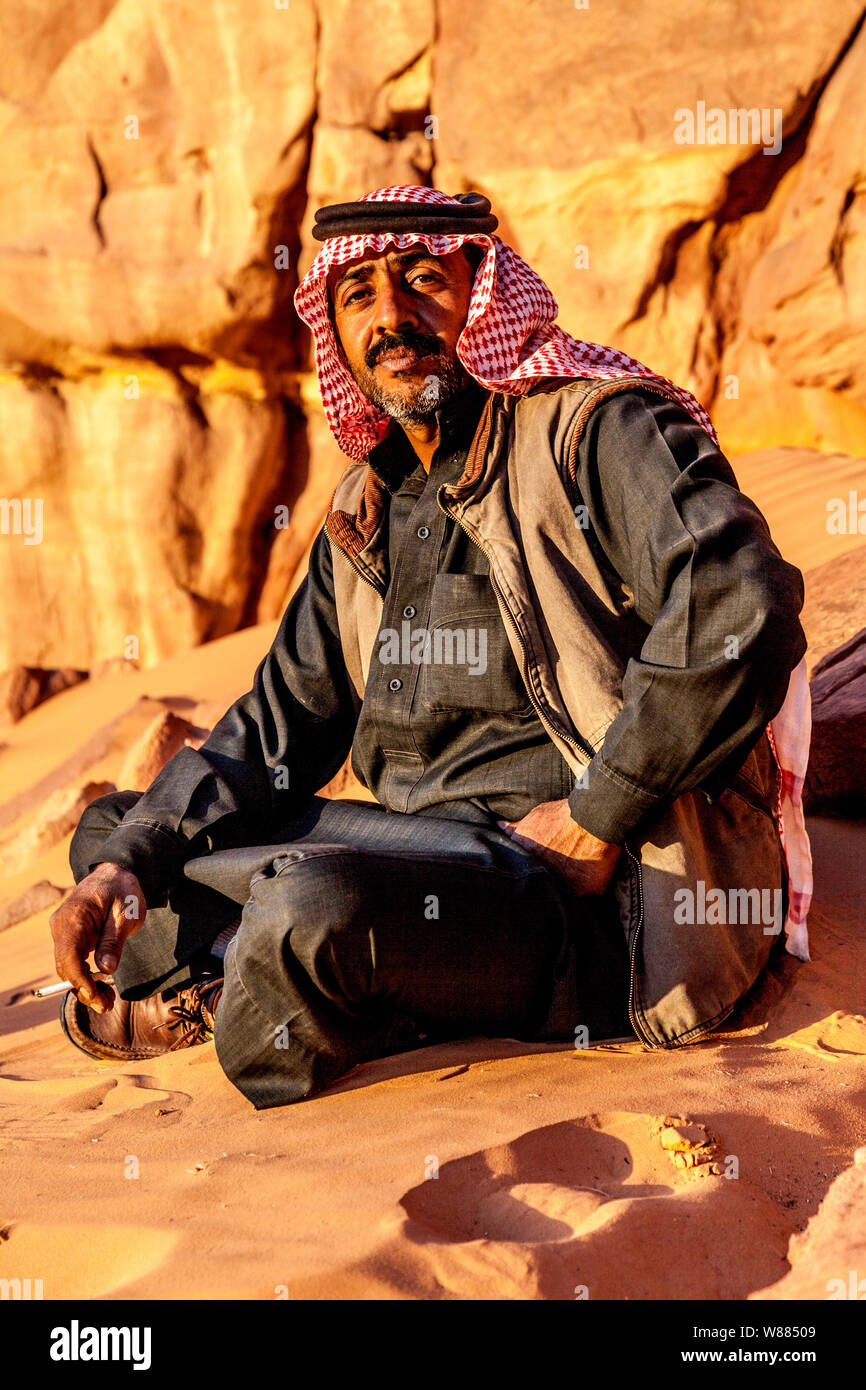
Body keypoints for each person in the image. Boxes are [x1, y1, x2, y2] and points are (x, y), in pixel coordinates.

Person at [50, 186, 808, 1109]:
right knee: (125, 835)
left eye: (422, 282)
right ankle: (248, 959)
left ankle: (232, 982)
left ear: (485, 291)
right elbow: (277, 730)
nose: (392, 319)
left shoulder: (592, 432)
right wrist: (124, 867)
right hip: (420, 856)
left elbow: (742, 601)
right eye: (359, 295)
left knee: (311, 911)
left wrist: (600, 810)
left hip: (581, 893)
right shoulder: (371, 504)